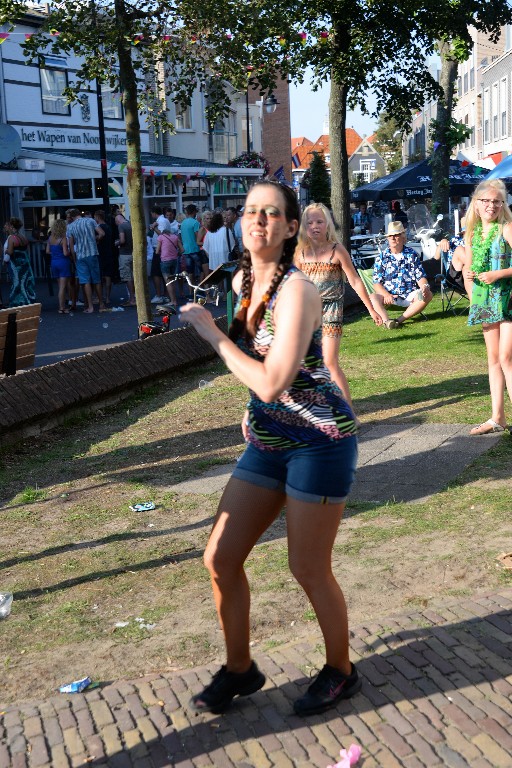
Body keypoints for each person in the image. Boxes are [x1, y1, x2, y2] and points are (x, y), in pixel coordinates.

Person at [180, 180, 362, 717]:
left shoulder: (299, 291)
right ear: (242, 223)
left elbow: (272, 380)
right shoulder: (245, 281)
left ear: (287, 229)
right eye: (251, 212)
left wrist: (209, 334)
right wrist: (250, 405)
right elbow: (251, 360)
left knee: (307, 567)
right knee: (220, 557)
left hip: (320, 442)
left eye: (272, 214)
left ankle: (341, 671)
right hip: (269, 439)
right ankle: (241, 669)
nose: (259, 220)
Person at [295, 203, 382, 415]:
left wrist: (371, 309)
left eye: (319, 222)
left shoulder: (337, 250)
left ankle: (348, 414)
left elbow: (355, 280)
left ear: (327, 225)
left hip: (331, 311)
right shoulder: (299, 253)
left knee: (330, 362)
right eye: (310, 222)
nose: (315, 226)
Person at [463, 179, 512, 435]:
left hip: (508, 298)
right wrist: (471, 288)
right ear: (477, 204)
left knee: (506, 358)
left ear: (502, 204)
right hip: (484, 301)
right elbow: (467, 269)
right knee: (493, 359)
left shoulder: (507, 228)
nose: (491, 205)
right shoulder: (471, 234)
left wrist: (498, 274)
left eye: (496, 201)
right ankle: (498, 418)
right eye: (486, 201)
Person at [371, 220, 433, 328]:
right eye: (390, 236)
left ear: (403, 237)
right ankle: (387, 322)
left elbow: (420, 276)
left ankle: (398, 320)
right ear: (387, 238)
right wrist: (386, 294)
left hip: (410, 294)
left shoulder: (412, 254)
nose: (393, 238)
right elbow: (376, 283)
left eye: (396, 235)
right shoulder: (382, 257)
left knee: (428, 295)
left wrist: (424, 287)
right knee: (372, 297)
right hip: (390, 296)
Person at [66, 208, 105, 313]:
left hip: (80, 255)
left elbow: (71, 245)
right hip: (92, 253)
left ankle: (90, 306)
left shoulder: (70, 227)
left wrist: (74, 260)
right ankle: (101, 304)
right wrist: (95, 240)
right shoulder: (90, 221)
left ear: (72, 217)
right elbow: (102, 233)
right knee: (96, 280)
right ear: (79, 214)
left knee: (85, 281)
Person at [2, 218, 36, 307]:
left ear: (12, 226)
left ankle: (18, 301)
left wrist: (5, 252)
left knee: (16, 282)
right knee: (25, 282)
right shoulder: (23, 237)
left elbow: (10, 252)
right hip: (25, 263)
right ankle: (27, 300)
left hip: (15, 264)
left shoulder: (11, 238)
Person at [46, 219, 72, 313]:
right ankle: (62, 307)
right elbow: (65, 253)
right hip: (63, 262)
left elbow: (47, 251)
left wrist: (55, 253)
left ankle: (62, 306)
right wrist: (70, 253)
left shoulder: (50, 238)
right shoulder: (63, 238)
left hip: (54, 263)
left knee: (60, 286)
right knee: (63, 287)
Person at [156, 222, 183, 307]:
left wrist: (161, 252)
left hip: (165, 261)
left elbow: (157, 251)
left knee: (168, 282)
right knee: (172, 280)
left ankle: (173, 301)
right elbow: (182, 250)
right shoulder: (175, 237)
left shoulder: (161, 237)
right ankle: (173, 299)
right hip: (174, 260)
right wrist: (176, 254)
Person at [115, 212, 135, 306]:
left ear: (117, 221)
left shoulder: (121, 227)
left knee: (128, 278)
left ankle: (131, 299)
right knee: (134, 277)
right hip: (133, 253)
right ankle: (136, 298)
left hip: (125, 254)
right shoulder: (131, 224)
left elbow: (122, 240)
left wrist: (117, 243)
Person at [94, 210, 114, 305]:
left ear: (98, 217)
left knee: (100, 277)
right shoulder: (108, 227)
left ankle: (100, 297)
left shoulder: (99, 228)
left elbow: (100, 236)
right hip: (109, 252)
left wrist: (96, 239)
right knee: (108, 276)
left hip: (100, 253)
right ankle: (108, 297)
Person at [181, 204, 201, 285]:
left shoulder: (183, 223)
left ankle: (190, 292)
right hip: (195, 249)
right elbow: (198, 236)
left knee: (190, 272)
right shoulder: (195, 222)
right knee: (201, 270)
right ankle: (200, 288)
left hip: (186, 250)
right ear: (194, 212)